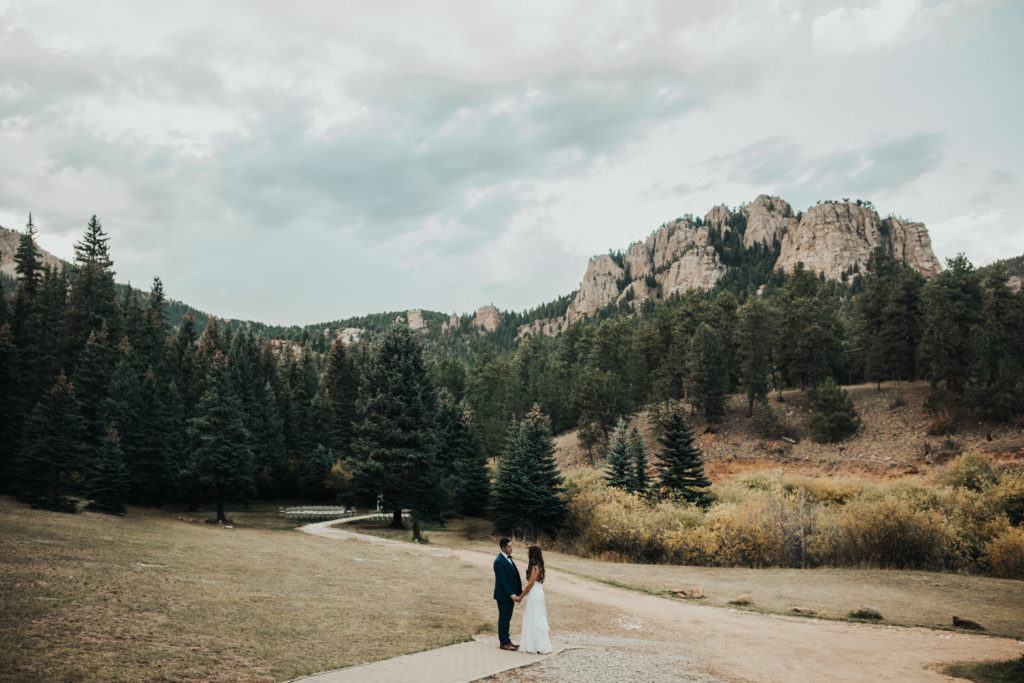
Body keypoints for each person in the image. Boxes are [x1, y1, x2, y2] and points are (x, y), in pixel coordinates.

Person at [518, 545, 551, 654]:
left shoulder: (534, 567)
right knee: (537, 617)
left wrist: (521, 597)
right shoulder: (539, 566)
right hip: (538, 592)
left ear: (532, 554)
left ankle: (535, 645)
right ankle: (538, 644)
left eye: (528, 552)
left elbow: (530, 584)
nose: (527, 554)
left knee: (534, 618)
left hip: (534, 594)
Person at [493, 537, 522, 650]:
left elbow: (514, 577)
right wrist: (511, 594)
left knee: (507, 619)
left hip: (509, 596)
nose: (511, 548)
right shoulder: (499, 561)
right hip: (503, 596)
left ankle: (508, 640)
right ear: (503, 547)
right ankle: (504, 643)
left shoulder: (508, 558)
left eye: (511, 546)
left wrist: (520, 592)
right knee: (504, 619)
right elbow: (502, 581)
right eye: (509, 547)